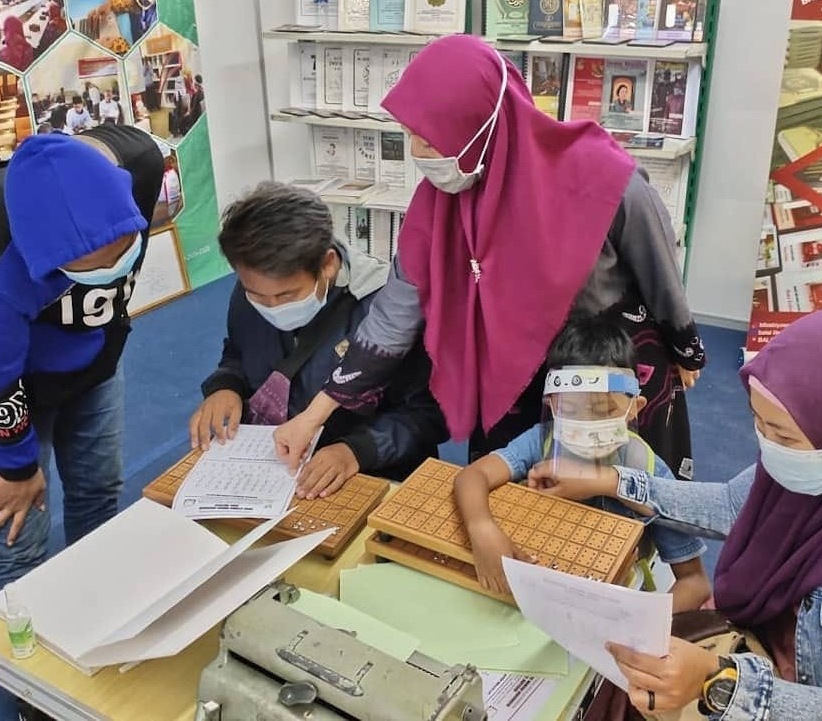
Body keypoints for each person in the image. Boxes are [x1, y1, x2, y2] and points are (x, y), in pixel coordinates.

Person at [276, 34, 705, 491]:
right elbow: (392, 318)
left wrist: (685, 349)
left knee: (618, 499)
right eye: (411, 135)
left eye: (431, 138)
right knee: (512, 498)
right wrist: (314, 414)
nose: (419, 153)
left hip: (601, 371)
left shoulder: (607, 180)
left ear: (483, 126)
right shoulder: (436, 207)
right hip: (509, 375)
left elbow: (659, 272)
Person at [559, 310, 822, 720]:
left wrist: (720, 683)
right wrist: (613, 482)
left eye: (781, 433)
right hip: (767, 656)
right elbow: (730, 505)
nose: (767, 447)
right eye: (758, 422)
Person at [0, 126, 163, 598]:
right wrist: (16, 468)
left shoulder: (137, 164)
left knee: (98, 491)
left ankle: (96, 605)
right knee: (18, 529)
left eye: (120, 250)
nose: (108, 272)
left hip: (95, 357)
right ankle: (22, 657)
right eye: (86, 269)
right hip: (12, 386)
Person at [191, 182, 446, 489]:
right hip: (272, 467)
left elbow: (428, 415)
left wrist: (355, 451)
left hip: (366, 474)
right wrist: (226, 386)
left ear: (326, 264)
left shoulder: (386, 311)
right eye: (256, 295)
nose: (271, 306)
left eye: (286, 296)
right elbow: (238, 352)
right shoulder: (253, 288)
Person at [454, 312, 709, 611]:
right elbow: (472, 476)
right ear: (551, 404)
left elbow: (695, 583)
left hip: (613, 597)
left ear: (634, 409)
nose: (586, 422)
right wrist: (482, 529)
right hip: (541, 578)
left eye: (602, 410)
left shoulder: (650, 473)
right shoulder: (543, 441)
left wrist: (635, 623)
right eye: (571, 410)